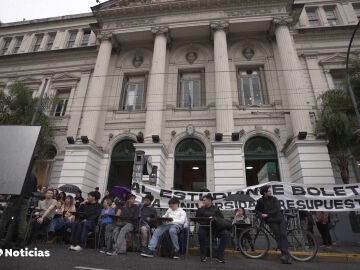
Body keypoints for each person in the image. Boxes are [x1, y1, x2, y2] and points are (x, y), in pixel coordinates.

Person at [255, 185, 292, 264]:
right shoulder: (260, 201)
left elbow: (277, 208)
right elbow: (257, 210)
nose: (270, 192)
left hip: (280, 219)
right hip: (271, 221)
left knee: (283, 235)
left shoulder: (274, 199)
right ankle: (286, 255)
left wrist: (267, 214)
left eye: (270, 191)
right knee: (278, 236)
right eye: (269, 191)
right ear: (264, 193)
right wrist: (261, 214)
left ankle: (285, 255)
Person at [195, 194, 231, 263]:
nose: (203, 201)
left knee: (226, 234)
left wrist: (214, 218)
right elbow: (197, 219)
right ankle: (203, 255)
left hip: (215, 228)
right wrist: (199, 209)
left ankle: (219, 255)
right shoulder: (201, 208)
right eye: (203, 200)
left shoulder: (216, 208)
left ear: (209, 200)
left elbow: (221, 219)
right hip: (204, 227)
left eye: (204, 200)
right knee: (201, 233)